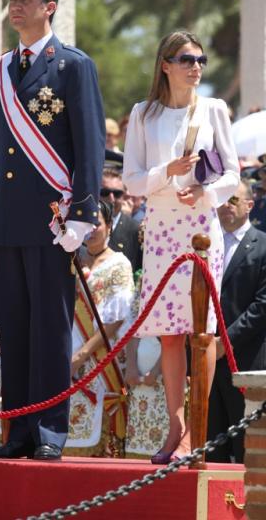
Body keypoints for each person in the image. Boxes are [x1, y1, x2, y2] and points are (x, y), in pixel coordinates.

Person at [0, 0, 105, 461]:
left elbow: (89, 145)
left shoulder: (73, 65)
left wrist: (84, 213)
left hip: (54, 220)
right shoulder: (1, 68)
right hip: (9, 217)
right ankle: (19, 431)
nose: (17, 6)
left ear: (49, 6)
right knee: (15, 326)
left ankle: (51, 431)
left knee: (50, 329)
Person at [122, 30, 240, 463]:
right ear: (165, 64)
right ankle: (175, 429)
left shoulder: (213, 109)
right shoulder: (143, 114)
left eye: (201, 59)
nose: (196, 67)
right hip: (159, 231)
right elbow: (131, 180)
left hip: (201, 231)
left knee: (201, 334)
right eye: (187, 59)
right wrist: (165, 172)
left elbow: (232, 175)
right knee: (170, 336)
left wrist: (205, 194)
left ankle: (196, 427)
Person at [64, 200, 133, 457]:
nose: (91, 229)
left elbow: (115, 320)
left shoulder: (119, 264)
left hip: (101, 355)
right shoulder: (68, 260)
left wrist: (81, 355)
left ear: (109, 226)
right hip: (66, 352)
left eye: (97, 224)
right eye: (86, 225)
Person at [207, 180, 266, 463]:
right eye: (221, 200)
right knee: (210, 446)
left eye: (232, 200)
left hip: (246, 361)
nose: (225, 206)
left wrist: (225, 343)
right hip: (208, 359)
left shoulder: (263, 246)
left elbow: (261, 307)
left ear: (249, 205)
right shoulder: (207, 243)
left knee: (246, 450)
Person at [101, 168, 142, 274]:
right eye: (105, 192)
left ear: (125, 196)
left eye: (117, 194)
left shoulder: (135, 229)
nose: (111, 198)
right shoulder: (85, 225)